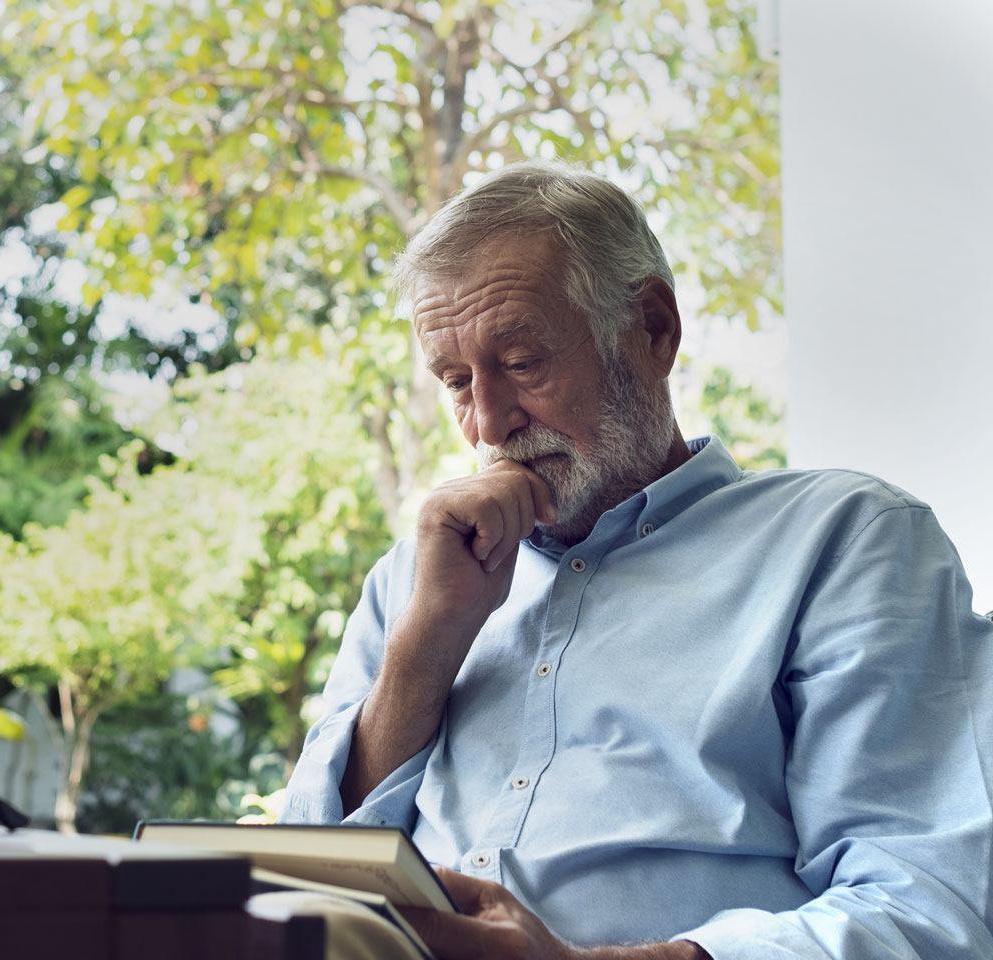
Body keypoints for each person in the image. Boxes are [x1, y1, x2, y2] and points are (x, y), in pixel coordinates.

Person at [277, 159, 993, 959]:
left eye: (521, 363)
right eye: (456, 381)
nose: (487, 424)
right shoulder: (416, 579)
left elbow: (929, 906)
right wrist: (429, 641)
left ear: (654, 328)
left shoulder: (846, 540)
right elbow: (299, 888)